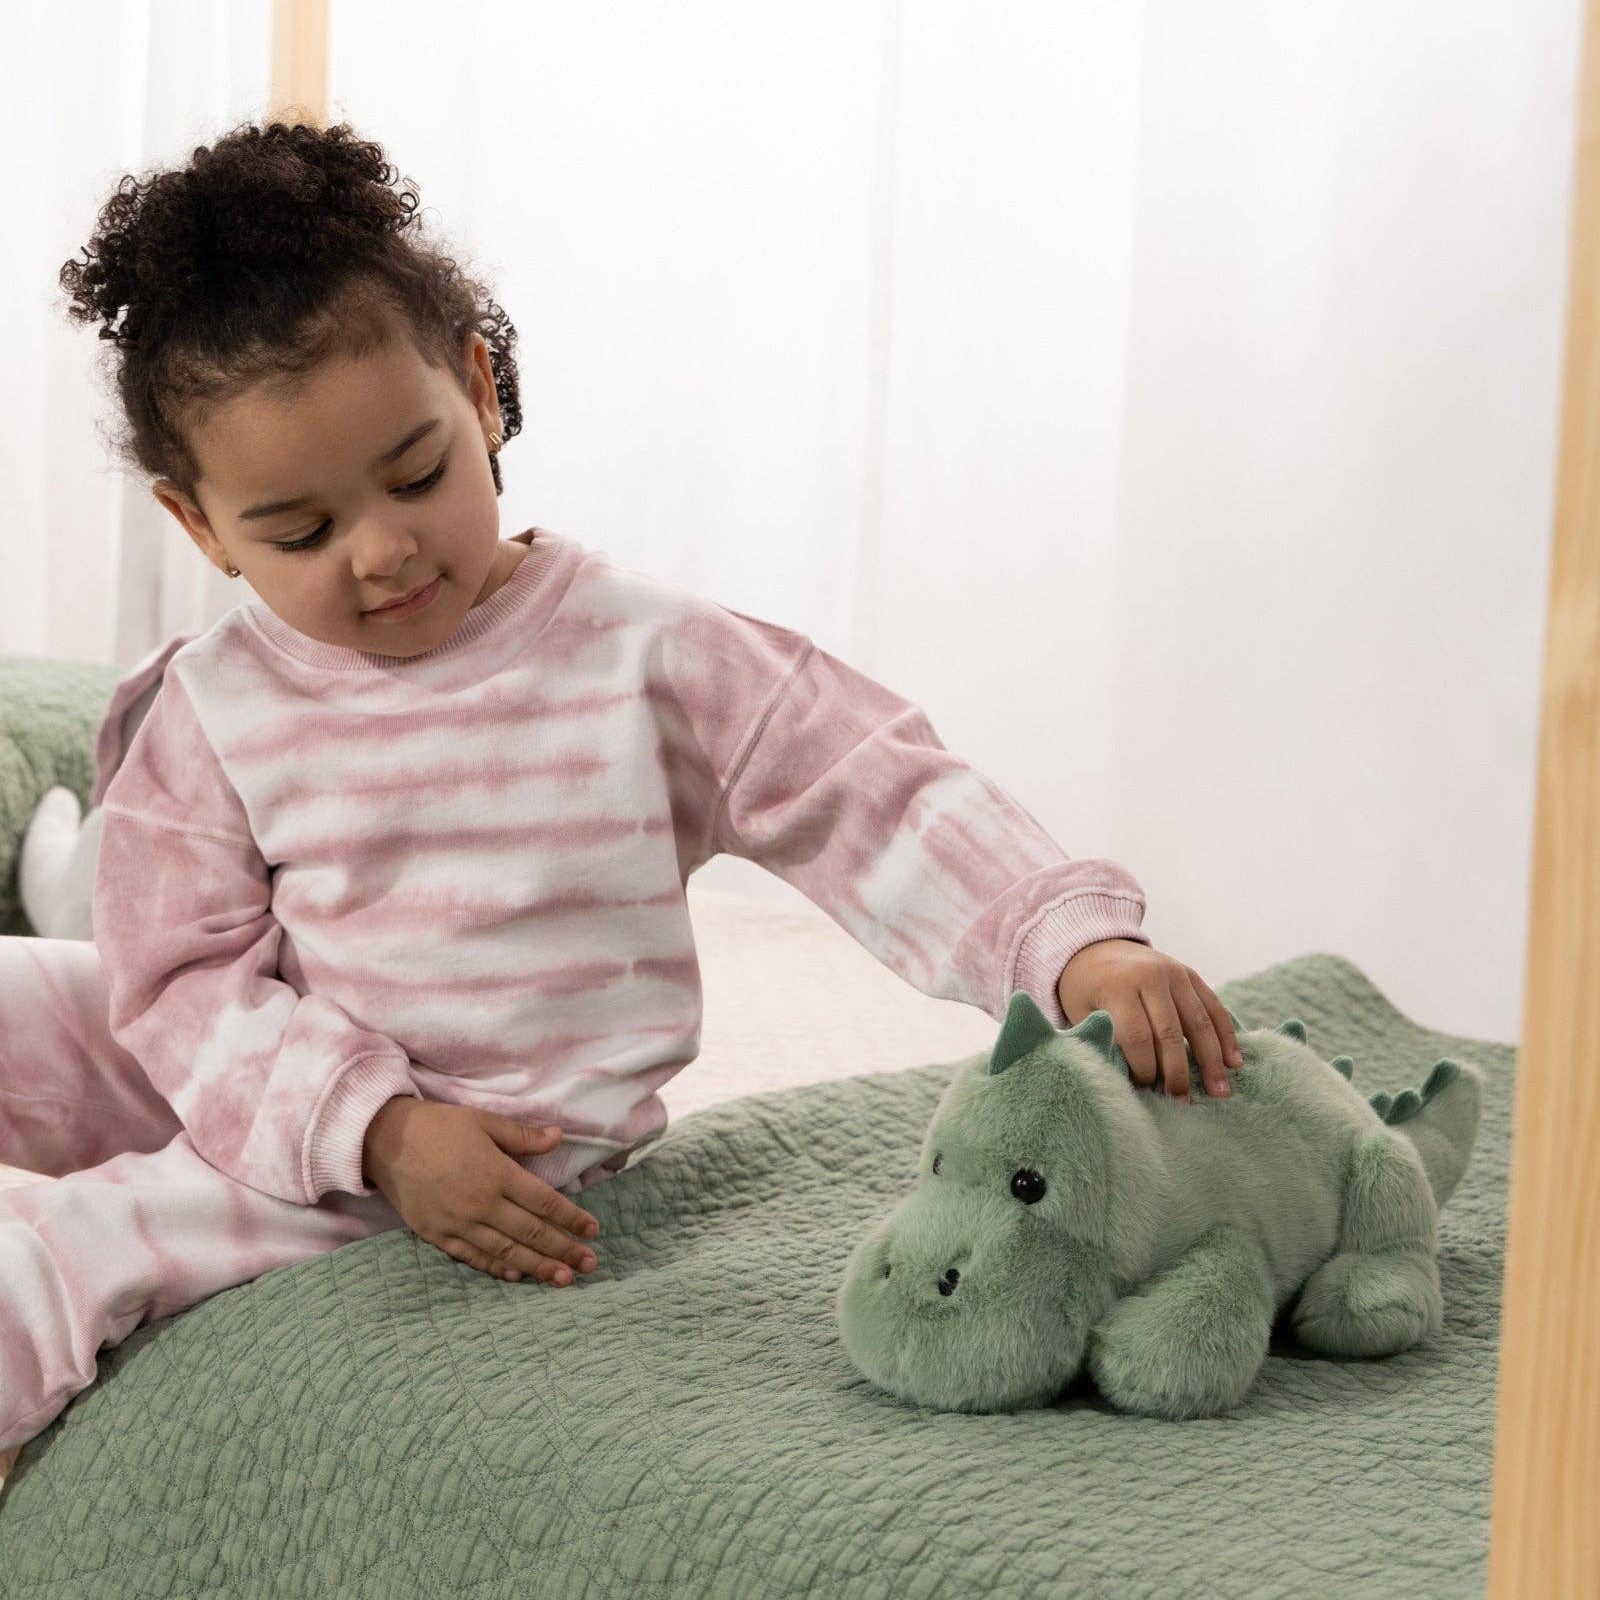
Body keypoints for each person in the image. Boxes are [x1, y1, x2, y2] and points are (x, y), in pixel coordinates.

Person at [0, 118, 1244, 1463]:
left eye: (416, 475)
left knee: (62, 1255)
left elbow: (875, 792)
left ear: (480, 391)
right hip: (278, 1047)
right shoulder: (217, 700)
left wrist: (1072, 944)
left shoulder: (645, 656)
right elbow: (177, 983)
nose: (382, 550)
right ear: (201, 527)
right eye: (299, 533)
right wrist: (337, 1092)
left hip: (470, 1144)